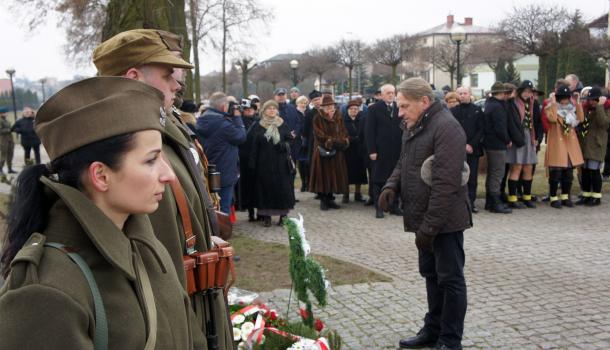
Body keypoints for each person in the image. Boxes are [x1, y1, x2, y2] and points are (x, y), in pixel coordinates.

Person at [0, 77, 206, 349]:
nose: (168, 175)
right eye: (151, 160)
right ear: (101, 175)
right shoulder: (48, 291)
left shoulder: (148, 247)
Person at [93, 29, 234, 348]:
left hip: (199, 304)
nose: (177, 83)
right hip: (171, 319)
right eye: (168, 73)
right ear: (134, 78)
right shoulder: (122, 145)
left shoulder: (169, 130)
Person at [379, 77, 470, 350]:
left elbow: (445, 185)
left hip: (446, 220)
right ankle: (433, 330)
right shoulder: (414, 125)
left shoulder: (447, 128)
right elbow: (404, 161)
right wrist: (391, 185)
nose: (400, 112)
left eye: (405, 106)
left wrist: (429, 228)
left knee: (450, 279)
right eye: (399, 106)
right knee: (431, 275)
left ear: (425, 102)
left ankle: (450, 339)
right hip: (424, 217)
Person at [196, 92, 247, 214]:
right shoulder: (223, 124)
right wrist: (237, 117)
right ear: (224, 106)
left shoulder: (202, 120)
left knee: (212, 205)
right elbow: (241, 137)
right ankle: (222, 232)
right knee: (223, 208)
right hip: (224, 170)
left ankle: (214, 230)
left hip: (209, 168)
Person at [248, 100, 296, 226]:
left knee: (282, 188)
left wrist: (285, 145)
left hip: (281, 163)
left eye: (274, 108)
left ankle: (283, 216)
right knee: (265, 189)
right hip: (264, 163)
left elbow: (291, 141)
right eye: (269, 108)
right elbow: (254, 146)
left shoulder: (282, 124)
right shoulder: (259, 126)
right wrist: (252, 163)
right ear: (264, 111)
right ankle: (266, 216)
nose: (272, 110)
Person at [365, 84, 403, 218]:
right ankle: (379, 207)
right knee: (379, 179)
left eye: (393, 92)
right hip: (380, 151)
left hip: (396, 150)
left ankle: (394, 205)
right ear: (381, 95)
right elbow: (369, 131)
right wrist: (372, 150)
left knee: (396, 179)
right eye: (388, 93)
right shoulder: (374, 109)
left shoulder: (399, 108)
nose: (391, 95)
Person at [544, 85, 584, 209]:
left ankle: (566, 197)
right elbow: (552, 118)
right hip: (557, 143)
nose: (565, 101)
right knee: (556, 173)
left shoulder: (572, 109)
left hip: (569, 144)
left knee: (568, 174)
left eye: (567, 98)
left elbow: (581, 119)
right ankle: (553, 197)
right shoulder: (550, 108)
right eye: (562, 98)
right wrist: (554, 103)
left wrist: (578, 102)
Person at [309, 95, 349, 210]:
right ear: (323, 107)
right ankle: (323, 200)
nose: (330, 108)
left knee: (334, 175)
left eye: (332, 106)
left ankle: (331, 199)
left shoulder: (338, 117)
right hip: (323, 152)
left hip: (337, 152)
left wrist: (343, 141)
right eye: (327, 106)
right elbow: (319, 135)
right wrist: (331, 141)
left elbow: (343, 132)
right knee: (323, 175)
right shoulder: (317, 118)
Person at [505, 80, 540, 209]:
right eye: (525, 91)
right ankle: (512, 198)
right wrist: (513, 138)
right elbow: (510, 123)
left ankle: (527, 197)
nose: (527, 94)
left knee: (528, 167)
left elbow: (536, 121)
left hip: (529, 137)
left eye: (529, 91)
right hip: (517, 138)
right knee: (516, 167)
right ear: (519, 91)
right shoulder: (512, 103)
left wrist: (536, 137)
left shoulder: (532, 103)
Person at [451, 86, 484, 212]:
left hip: (473, 150)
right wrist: (462, 144)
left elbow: (481, 129)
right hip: (457, 149)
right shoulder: (453, 111)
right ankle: (458, 203)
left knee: (472, 176)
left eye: (465, 93)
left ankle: (471, 202)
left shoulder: (477, 110)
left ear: (470, 94)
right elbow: (451, 129)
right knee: (457, 176)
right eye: (460, 93)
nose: (462, 95)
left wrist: (472, 144)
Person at [576, 87, 610, 206]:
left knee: (594, 171)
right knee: (585, 171)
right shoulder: (587, 108)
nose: (590, 102)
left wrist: (600, 106)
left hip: (596, 144)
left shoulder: (606, 108)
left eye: (593, 100)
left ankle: (596, 197)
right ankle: (586, 195)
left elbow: (604, 123)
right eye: (589, 100)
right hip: (585, 143)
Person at [482, 82, 512, 214]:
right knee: (497, 173)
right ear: (500, 93)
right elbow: (500, 127)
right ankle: (495, 202)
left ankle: (490, 201)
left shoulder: (489, 104)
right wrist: (507, 140)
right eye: (505, 93)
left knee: (492, 172)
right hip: (497, 144)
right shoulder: (497, 107)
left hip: (490, 143)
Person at [236, 98, 259, 221]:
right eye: (246, 109)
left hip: (258, 157)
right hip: (245, 157)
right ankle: (250, 211)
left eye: (251, 109)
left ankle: (260, 212)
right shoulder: (239, 122)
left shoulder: (259, 121)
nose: (249, 111)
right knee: (248, 185)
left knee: (259, 185)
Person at [343, 99, 368, 203]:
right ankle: (346, 195)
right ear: (348, 110)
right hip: (347, 151)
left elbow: (365, 133)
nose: (354, 110)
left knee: (359, 172)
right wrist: (352, 139)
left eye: (356, 109)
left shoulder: (362, 119)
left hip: (359, 150)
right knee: (346, 173)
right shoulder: (343, 121)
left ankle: (358, 194)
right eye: (352, 109)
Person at [301, 90, 323, 192]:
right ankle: (317, 189)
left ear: (322, 98)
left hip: (327, 142)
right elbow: (305, 130)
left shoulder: (327, 111)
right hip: (313, 142)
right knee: (315, 166)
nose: (317, 102)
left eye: (318, 99)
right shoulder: (309, 114)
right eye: (315, 100)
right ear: (311, 102)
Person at [295, 95, 310, 193]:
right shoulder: (295, 113)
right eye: (301, 103)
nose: (303, 104)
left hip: (308, 140)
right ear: (298, 103)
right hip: (298, 140)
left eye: (305, 103)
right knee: (301, 163)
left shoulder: (308, 113)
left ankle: (308, 182)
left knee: (307, 163)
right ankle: (303, 182)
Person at [0, 109, 15, 174]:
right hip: (3, 140)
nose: (6, 113)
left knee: (10, 154)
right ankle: (0, 169)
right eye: (4, 112)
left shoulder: (6, 120)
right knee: (3, 155)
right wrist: (9, 130)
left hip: (10, 139)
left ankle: (10, 169)